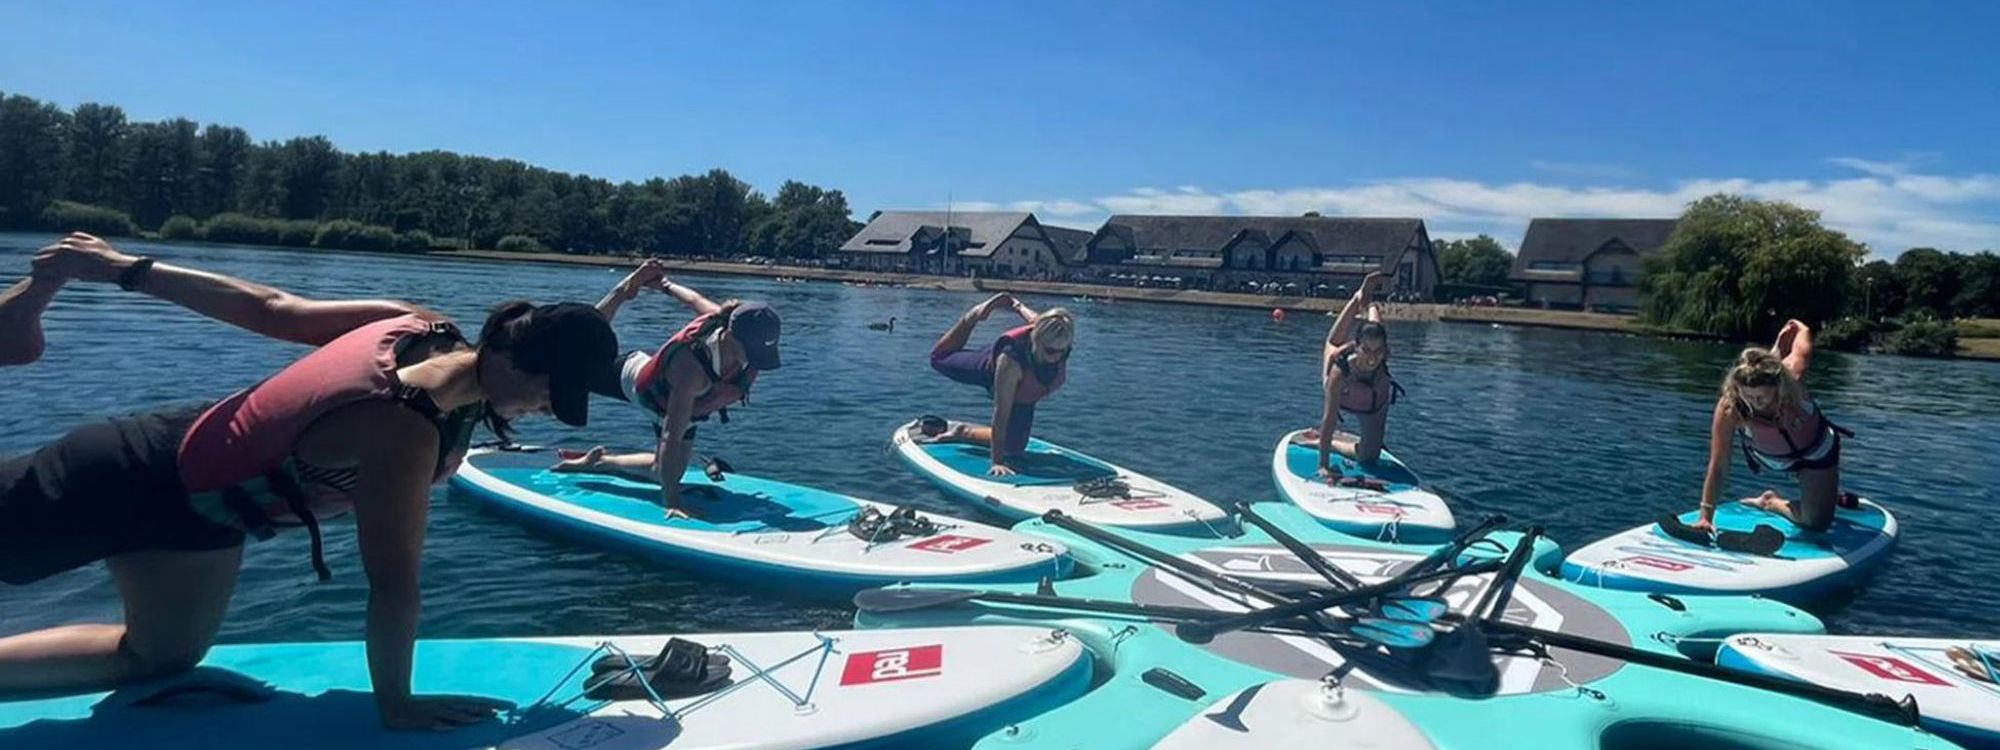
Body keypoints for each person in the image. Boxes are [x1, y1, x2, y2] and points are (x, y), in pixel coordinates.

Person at [0, 234, 619, 731]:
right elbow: (394, 584)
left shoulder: (420, 326)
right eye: (546, 390)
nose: (545, 407)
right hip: (123, 474)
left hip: (201, 514)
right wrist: (397, 706)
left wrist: (126, 268)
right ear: (508, 359)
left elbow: (270, 308)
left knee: (162, 656)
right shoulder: (404, 426)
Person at [581, 260, 781, 517]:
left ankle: (599, 462)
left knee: (662, 470)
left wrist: (664, 284)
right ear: (731, 336)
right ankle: (620, 291)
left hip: (687, 401)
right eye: (752, 352)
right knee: (580, 354)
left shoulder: (729, 320)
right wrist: (673, 501)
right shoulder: (691, 370)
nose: (756, 360)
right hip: (640, 385)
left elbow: (693, 299)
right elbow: (670, 437)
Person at [1693, 319, 1851, 534]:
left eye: (1762, 398)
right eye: (1747, 396)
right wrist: (1706, 516)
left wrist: (1802, 328)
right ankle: (1770, 500)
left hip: (1818, 451)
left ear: (1778, 388)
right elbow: (1719, 465)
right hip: (1776, 459)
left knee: (1817, 523)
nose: (1754, 403)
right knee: (1815, 515)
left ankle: (1790, 501)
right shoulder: (1731, 408)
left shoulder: (1792, 379)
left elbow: (1803, 348)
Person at [924, 293, 1074, 476]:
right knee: (938, 359)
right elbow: (1001, 412)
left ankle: (962, 433)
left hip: (1025, 390)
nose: (1057, 357)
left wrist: (1016, 305)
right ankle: (971, 317)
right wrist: (997, 462)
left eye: (1062, 351)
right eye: (1051, 351)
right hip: (987, 369)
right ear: (1037, 341)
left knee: (1015, 447)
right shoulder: (1011, 360)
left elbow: (1036, 319)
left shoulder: (1057, 334)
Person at [1306, 271, 1402, 471]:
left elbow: (1376, 344)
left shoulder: (1382, 357)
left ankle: (1370, 304)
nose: (1372, 358)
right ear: (1357, 347)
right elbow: (1330, 419)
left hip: (1372, 406)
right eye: (1366, 351)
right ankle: (1359, 297)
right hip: (1343, 381)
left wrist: (1373, 351)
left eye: (1378, 352)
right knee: (1334, 342)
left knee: (1369, 457)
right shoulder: (1340, 371)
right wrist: (1324, 465)